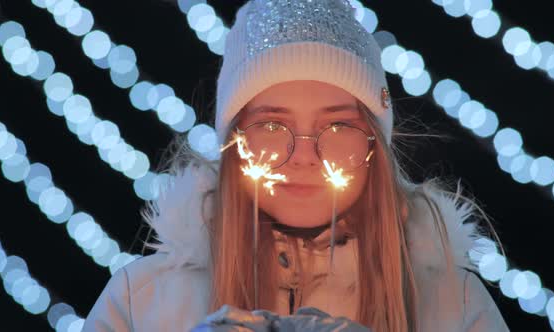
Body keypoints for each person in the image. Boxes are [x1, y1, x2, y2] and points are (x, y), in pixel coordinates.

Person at [82, 0, 510, 331]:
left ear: (374, 145)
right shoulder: (140, 302)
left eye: (338, 125)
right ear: (233, 140)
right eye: (271, 124)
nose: (304, 155)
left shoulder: (457, 306)